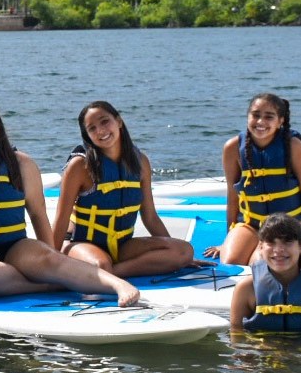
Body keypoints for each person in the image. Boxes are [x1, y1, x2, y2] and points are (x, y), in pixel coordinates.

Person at [0, 98, 140, 306]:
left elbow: (37, 214)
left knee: (50, 260)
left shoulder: (22, 164)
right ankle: (47, 286)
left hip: (14, 248)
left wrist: (51, 257)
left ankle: (117, 284)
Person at [51, 101, 195, 276]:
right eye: (92, 128)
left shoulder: (140, 162)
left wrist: (177, 255)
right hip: (82, 244)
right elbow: (61, 218)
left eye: (105, 122)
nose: (101, 131)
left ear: (118, 121)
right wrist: (51, 262)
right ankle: (104, 271)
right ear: (87, 135)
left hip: (123, 245)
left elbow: (150, 216)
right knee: (101, 264)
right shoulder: (80, 166)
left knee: (184, 251)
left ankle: (112, 273)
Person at [209, 92, 301, 265]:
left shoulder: (294, 147)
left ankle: (260, 250)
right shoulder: (232, 147)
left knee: (263, 264)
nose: (260, 122)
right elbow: (233, 198)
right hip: (251, 224)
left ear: (280, 121)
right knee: (231, 261)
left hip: (291, 224)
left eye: (269, 117)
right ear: (248, 116)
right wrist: (228, 239)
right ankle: (252, 244)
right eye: (255, 115)